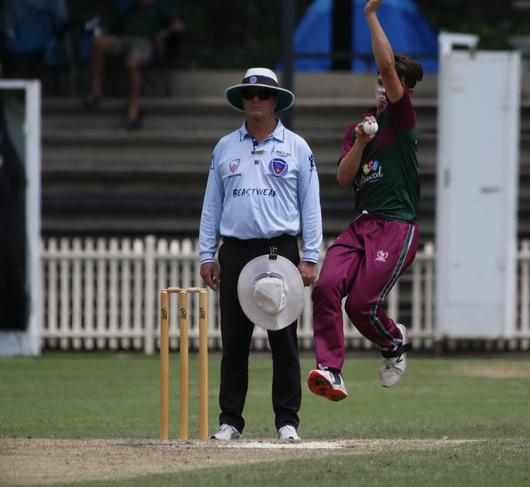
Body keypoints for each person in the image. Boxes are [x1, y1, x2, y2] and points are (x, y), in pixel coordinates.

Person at [307, 0, 423, 402]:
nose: (381, 85)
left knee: (361, 305)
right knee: (325, 287)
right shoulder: (362, 127)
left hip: (396, 226)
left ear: (403, 90)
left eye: (387, 81)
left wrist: (370, 15)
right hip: (362, 224)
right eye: (377, 81)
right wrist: (360, 141)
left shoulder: (402, 117)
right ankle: (330, 370)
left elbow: (390, 67)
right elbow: (343, 177)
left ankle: (393, 342)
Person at [199, 67, 322, 440]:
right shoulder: (224, 147)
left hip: (279, 251)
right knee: (233, 343)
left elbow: (310, 204)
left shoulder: (297, 147)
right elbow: (211, 205)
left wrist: (310, 255)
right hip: (235, 252)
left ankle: (287, 421)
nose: (256, 100)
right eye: (250, 95)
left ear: (275, 102)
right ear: (242, 101)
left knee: (283, 342)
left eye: (263, 95)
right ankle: (230, 421)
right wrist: (208, 254)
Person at [83, 0, 184, 130]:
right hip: (123, 40)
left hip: (144, 43)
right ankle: (96, 91)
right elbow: (108, 27)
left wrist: (163, 34)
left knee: (132, 63)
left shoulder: (161, 9)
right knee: (98, 43)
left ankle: (133, 111)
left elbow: (178, 26)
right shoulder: (129, 9)